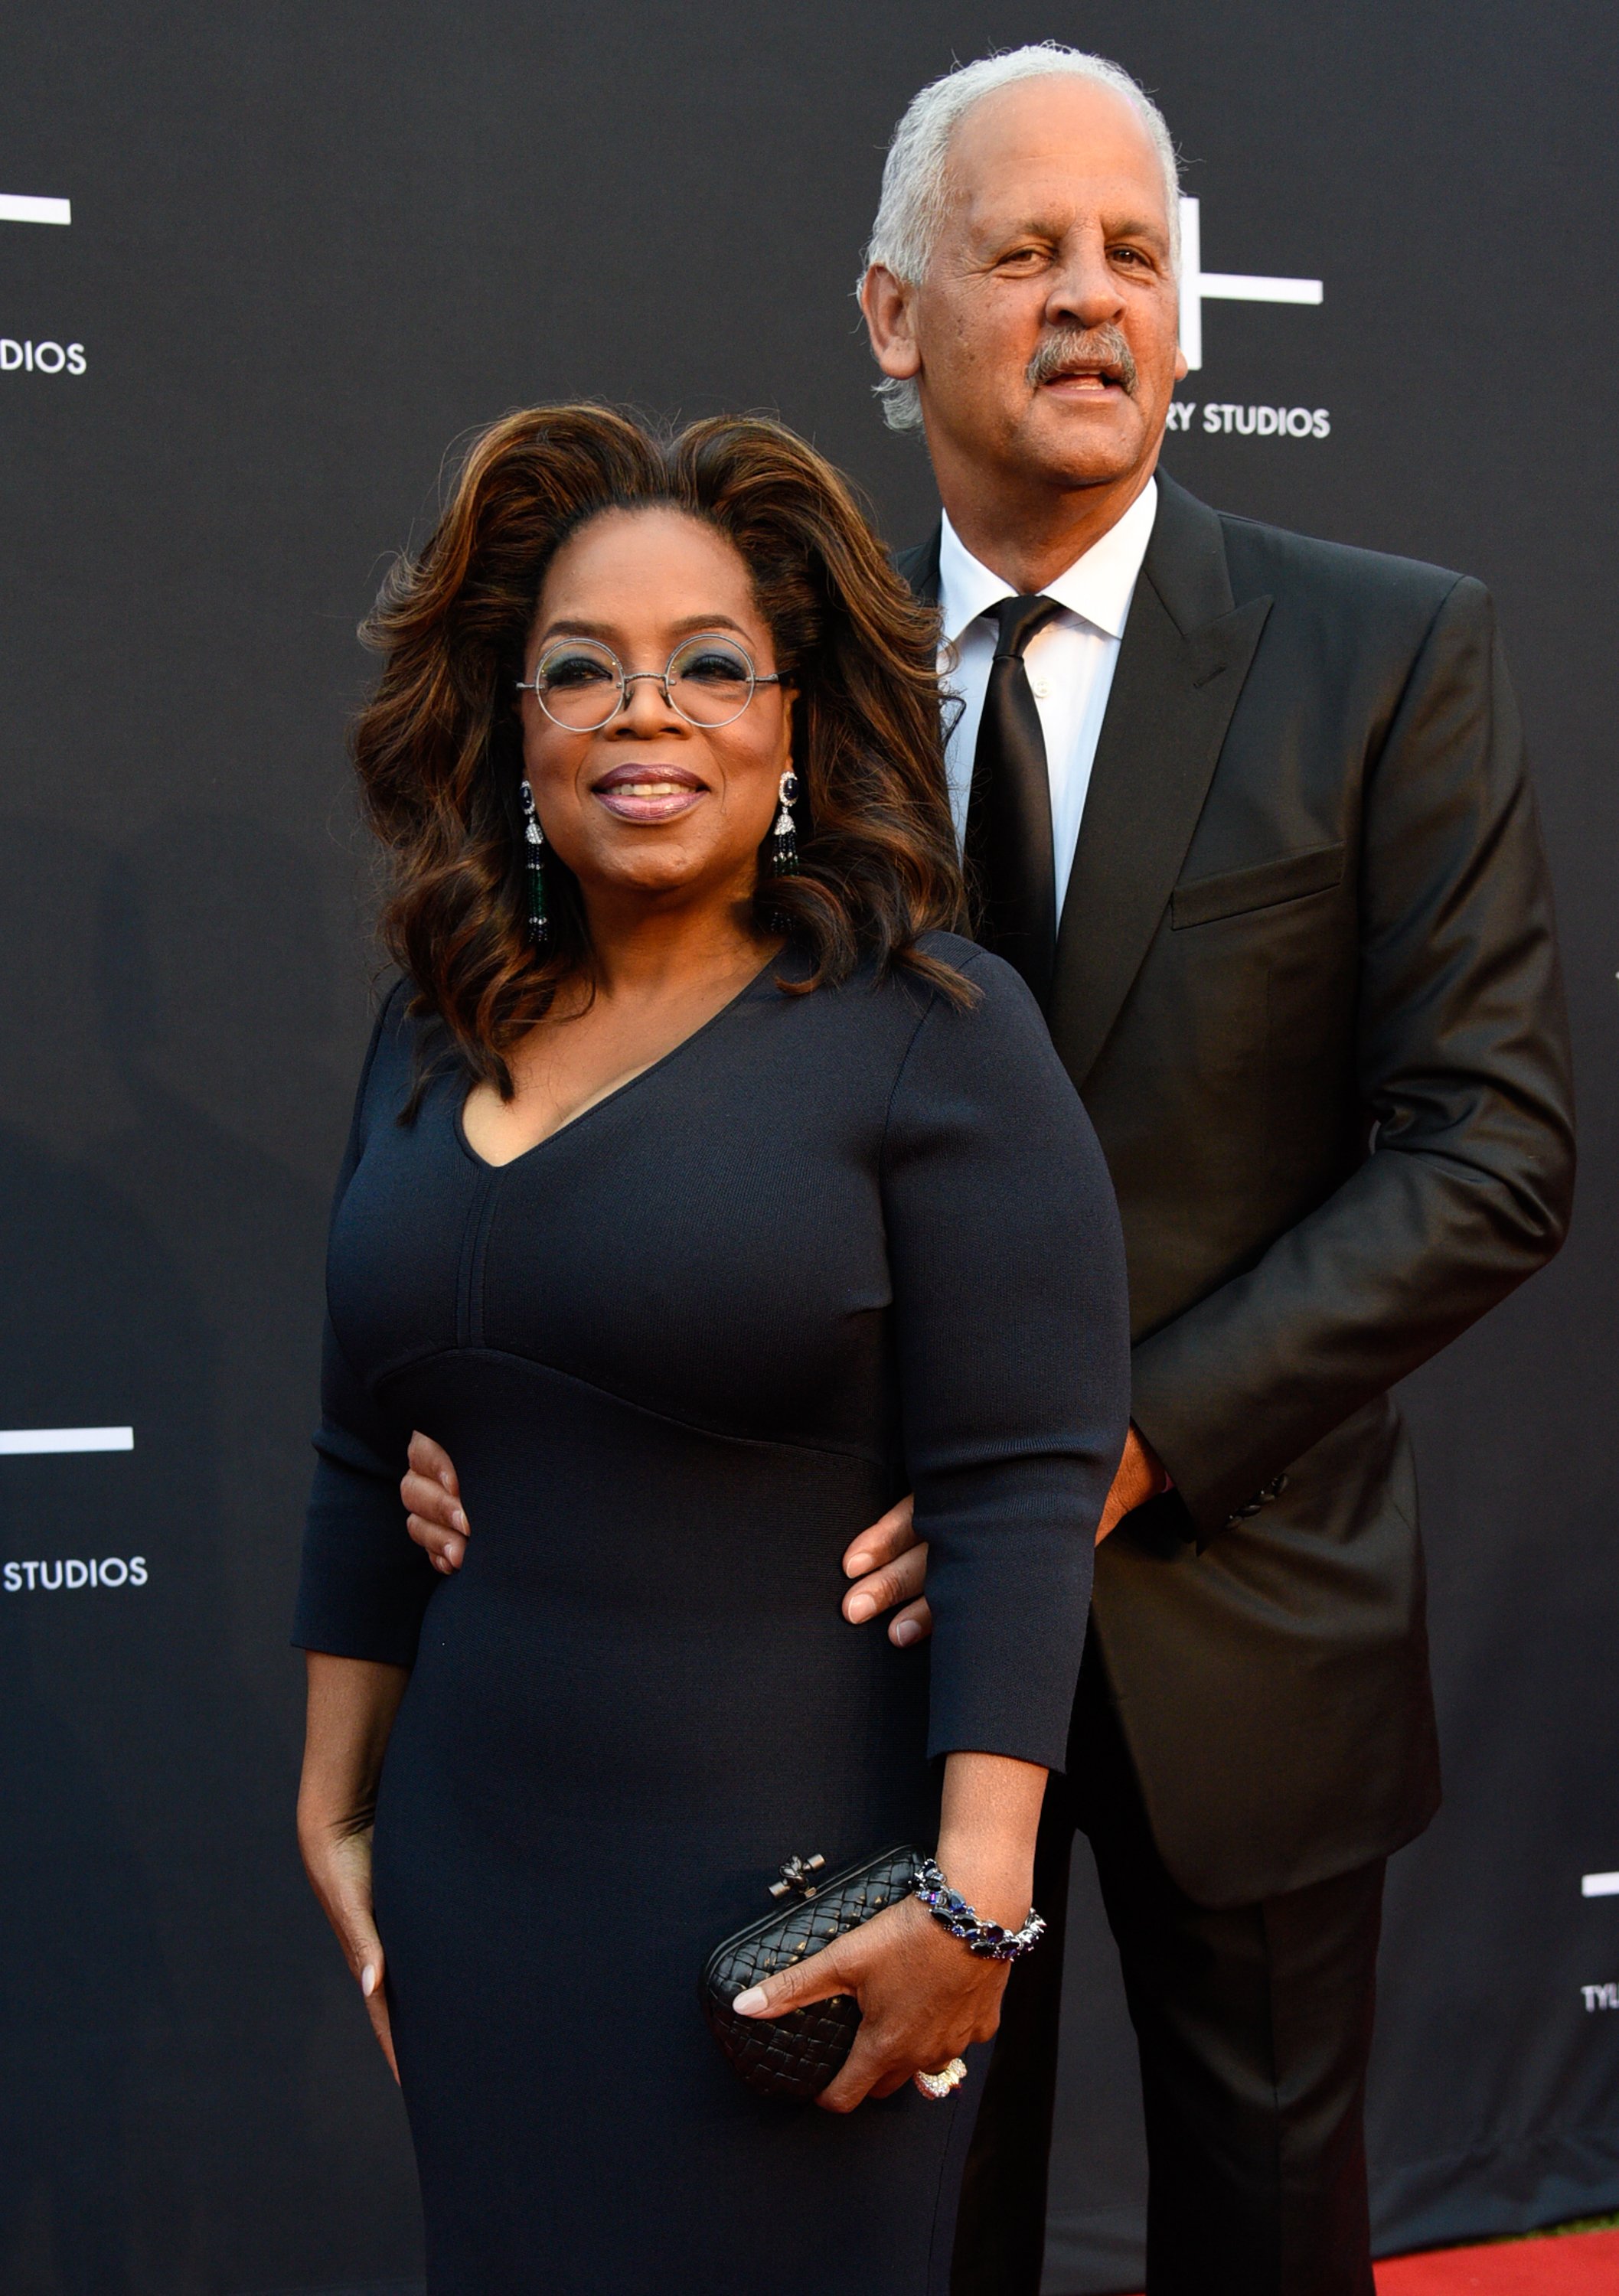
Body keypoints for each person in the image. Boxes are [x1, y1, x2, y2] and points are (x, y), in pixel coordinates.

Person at [402, 47, 1576, 2296]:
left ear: (1192, 322)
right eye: (1020, 249)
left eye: (1134, 254)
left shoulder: (1383, 651)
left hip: (1248, 1626)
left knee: (1263, 2241)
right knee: (907, 2244)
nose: (1086, 297)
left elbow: (1490, 1151)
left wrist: (1104, 1456)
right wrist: (486, 1433)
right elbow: (589, 1076)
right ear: (886, 315)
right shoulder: (765, 694)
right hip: (850, 1657)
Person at [293, 403, 1131, 2295]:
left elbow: (1015, 1488)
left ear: (792, 726)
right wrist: (332, 1797)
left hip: (785, 1914)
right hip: (475, 1877)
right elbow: (363, 1442)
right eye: (578, 670)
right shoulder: (430, 1031)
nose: (642, 712)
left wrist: (972, 1904)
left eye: (706, 668)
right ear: (514, 730)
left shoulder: (932, 1032)